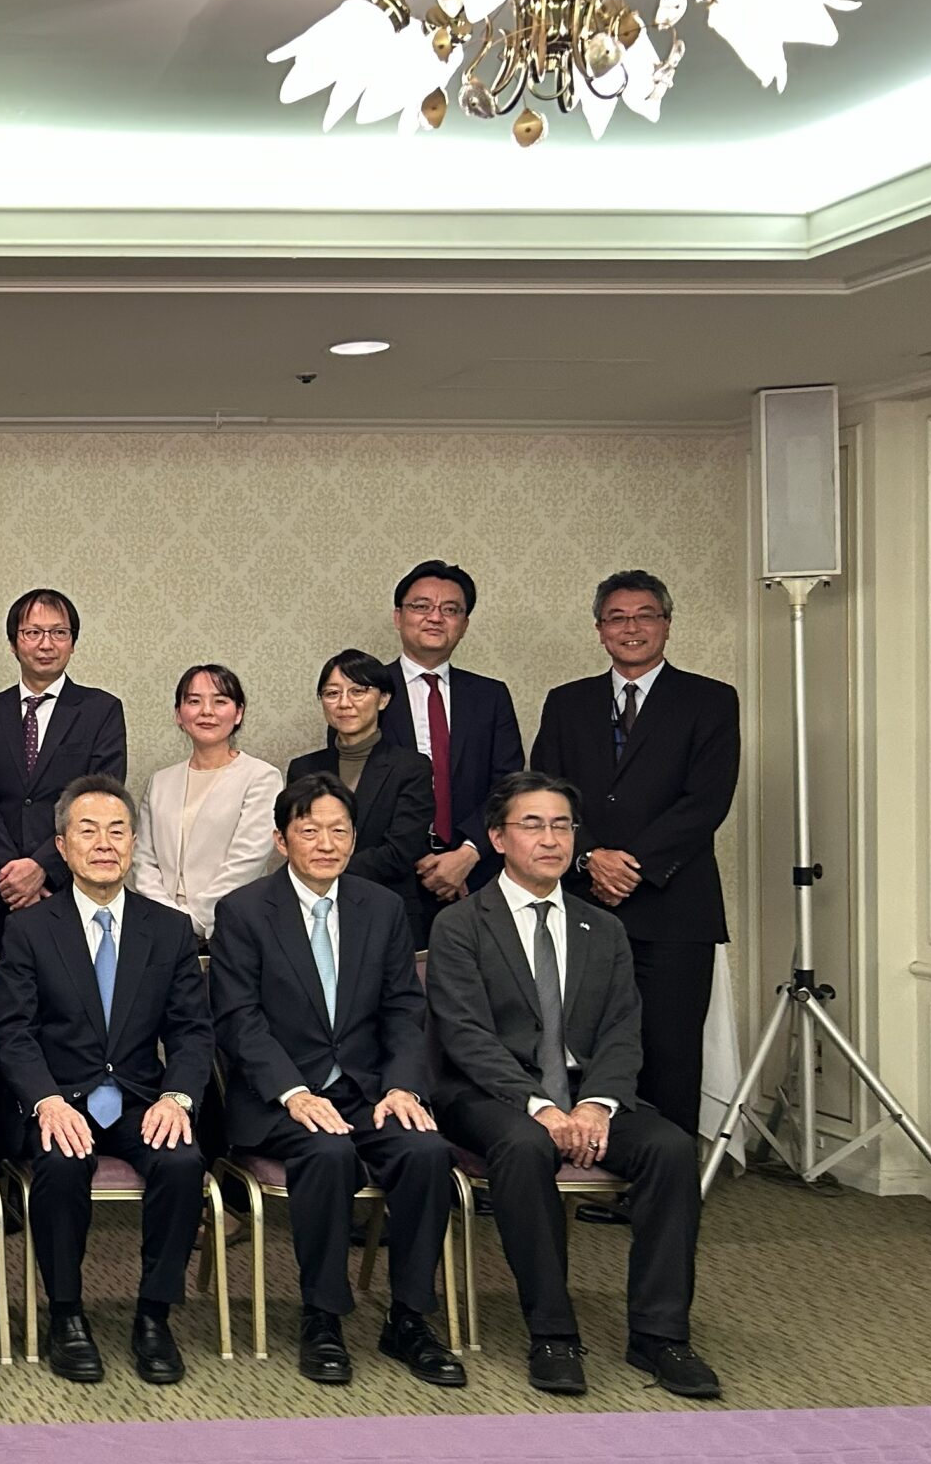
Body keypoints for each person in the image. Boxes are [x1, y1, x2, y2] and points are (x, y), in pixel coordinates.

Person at [426, 772, 718, 1400]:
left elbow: (622, 1030)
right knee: (524, 1144)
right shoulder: (460, 925)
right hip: (490, 1096)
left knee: (670, 1148)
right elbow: (466, 1036)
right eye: (532, 825)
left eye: (562, 826)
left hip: (588, 1094)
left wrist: (595, 1104)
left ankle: (660, 1334)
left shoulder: (602, 928)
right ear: (498, 838)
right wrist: (538, 1106)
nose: (551, 839)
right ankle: (552, 1333)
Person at [209, 776, 463, 1388]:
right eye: (309, 830)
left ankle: (409, 1318)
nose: (326, 843)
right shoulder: (244, 912)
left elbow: (404, 1009)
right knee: (327, 1153)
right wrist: (294, 1093)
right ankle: (322, 1317)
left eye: (339, 831)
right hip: (279, 1098)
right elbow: (239, 1021)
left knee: (427, 1152)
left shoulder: (382, 908)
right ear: (281, 840)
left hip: (368, 1092)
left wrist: (402, 1086)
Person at [0, 776, 211, 1386]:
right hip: (61, 1099)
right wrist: (45, 1101)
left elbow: (193, 1033)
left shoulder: (168, 930)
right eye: (87, 831)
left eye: (117, 831)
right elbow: (12, 1033)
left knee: (183, 1161)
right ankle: (67, 1315)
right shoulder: (30, 930)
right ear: (62, 847)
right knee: (60, 1164)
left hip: (142, 1099)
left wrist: (178, 1097)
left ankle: (154, 1316)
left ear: (134, 842)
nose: (104, 844)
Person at [529, 572, 739, 1138]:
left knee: (670, 1053)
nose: (632, 628)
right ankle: (593, 1163)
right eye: (617, 618)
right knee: (586, 1048)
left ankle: (666, 1174)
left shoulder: (711, 699)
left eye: (645, 615)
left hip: (675, 908)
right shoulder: (567, 702)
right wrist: (591, 856)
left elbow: (707, 800)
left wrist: (632, 866)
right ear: (599, 629)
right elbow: (546, 792)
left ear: (666, 624)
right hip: (584, 903)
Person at [0, 589, 127, 942]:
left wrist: (42, 866)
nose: (46, 644)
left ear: (73, 643)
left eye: (59, 632)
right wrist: (11, 873)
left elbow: (101, 798)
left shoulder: (101, 710)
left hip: (69, 884)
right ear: (13, 643)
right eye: (33, 632)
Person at [375, 560, 525, 937]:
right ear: (398, 617)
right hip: (389, 881)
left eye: (451, 609)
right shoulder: (365, 690)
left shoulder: (490, 695)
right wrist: (413, 856)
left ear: (465, 624)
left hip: (476, 873)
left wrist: (468, 853)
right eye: (421, 606)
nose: (435, 617)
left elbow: (508, 785)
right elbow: (357, 786)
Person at [284, 649, 434, 940]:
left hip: (387, 911)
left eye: (358, 691)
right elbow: (296, 841)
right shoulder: (304, 768)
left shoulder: (411, 767)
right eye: (332, 693)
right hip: (316, 911)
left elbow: (400, 852)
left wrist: (326, 867)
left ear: (383, 698)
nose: (344, 703)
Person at [131, 663, 281, 944]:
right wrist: (167, 918)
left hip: (231, 928)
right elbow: (143, 861)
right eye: (194, 701)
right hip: (160, 931)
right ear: (179, 714)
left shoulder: (261, 777)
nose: (207, 711)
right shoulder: (160, 781)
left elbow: (246, 863)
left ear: (238, 712)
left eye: (220, 701)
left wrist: (191, 921)